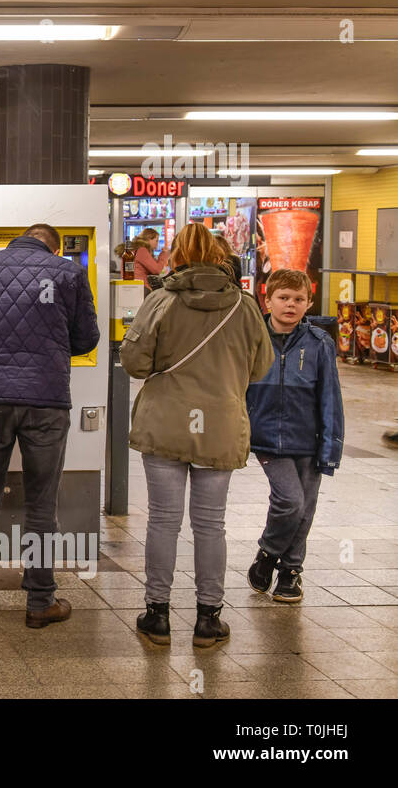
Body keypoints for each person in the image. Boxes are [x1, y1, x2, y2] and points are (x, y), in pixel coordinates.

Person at [121, 224, 273, 648]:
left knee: (163, 521)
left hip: (166, 421)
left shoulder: (160, 301)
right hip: (219, 425)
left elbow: (134, 362)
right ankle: (208, 619)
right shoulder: (243, 306)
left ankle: (157, 616)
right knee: (211, 525)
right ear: (220, 256)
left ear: (178, 255)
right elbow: (261, 367)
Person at [0, 224, 99, 628]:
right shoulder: (69, 273)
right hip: (47, 399)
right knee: (41, 502)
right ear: (55, 246)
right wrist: (52, 344)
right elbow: (87, 338)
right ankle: (40, 601)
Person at [245, 269, 344, 603]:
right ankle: (268, 553)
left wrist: (331, 445)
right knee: (290, 501)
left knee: (306, 508)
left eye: (298, 299)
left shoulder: (320, 343)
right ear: (267, 299)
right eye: (283, 298)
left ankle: (290, 572)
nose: (290, 305)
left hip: (310, 438)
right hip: (267, 436)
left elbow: (331, 396)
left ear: (309, 303)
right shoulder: (253, 337)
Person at [115, 228, 167, 292]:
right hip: (140, 287)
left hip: (131, 286)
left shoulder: (135, 250)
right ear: (149, 239)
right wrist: (164, 254)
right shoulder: (141, 250)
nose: (157, 243)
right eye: (156, 240)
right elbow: (156, 270)